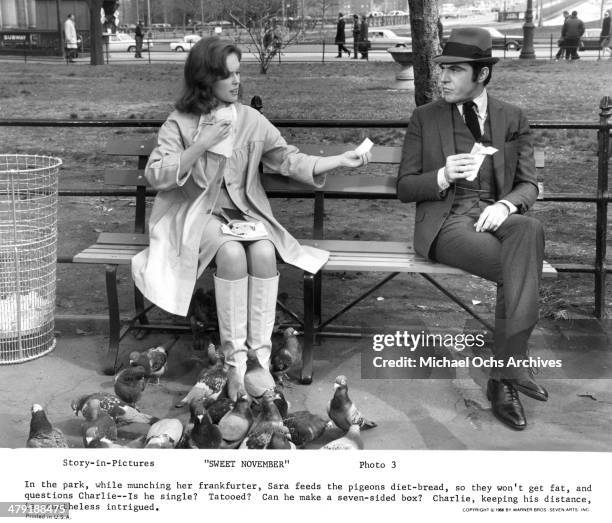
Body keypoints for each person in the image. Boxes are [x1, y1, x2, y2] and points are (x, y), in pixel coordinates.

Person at [132, 37, 370, 400]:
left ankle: (258, 360)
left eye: (238, 72)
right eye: (226, 75)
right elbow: (157, 175)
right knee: (230, 253)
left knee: (262, 252)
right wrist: (202, 142)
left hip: (245, 215)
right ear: (204, 79)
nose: (236, 81)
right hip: (196, 215)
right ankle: (234, 365)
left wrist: (338, 160)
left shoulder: (250, 119)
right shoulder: (179, 123)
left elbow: (288, 159)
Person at [397, 27, 545, 431]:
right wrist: (442, 175)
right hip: (448, 223)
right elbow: (405, 187)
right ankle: (507, 374)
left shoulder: (511, 117)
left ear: (481, 75)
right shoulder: (424, 118)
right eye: (442, 68)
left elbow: (529, 184)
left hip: (495, 217)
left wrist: (506, 203)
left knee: (528, 230)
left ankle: (505, 372)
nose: (442, 77)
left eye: (455, 70)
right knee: (519, 267)